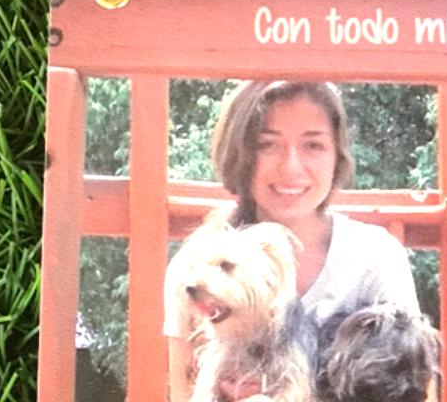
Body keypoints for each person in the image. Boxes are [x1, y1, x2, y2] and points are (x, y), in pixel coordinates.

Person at [163, 80, 426, 402]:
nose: (291, 166)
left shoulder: (374, 256)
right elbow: (182, 393)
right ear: (239, 155)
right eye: (267, 144)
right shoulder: (196, 265)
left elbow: (415, 391)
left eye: (313, 145)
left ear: (337, 155)